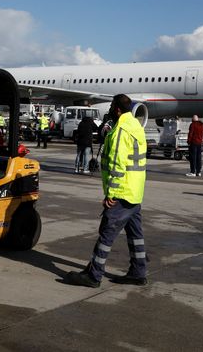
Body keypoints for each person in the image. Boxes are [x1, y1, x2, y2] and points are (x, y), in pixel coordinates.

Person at [65, 94, 147, 288]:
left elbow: (118, 164)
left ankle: (94, 275)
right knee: (136, 235)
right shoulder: (136, 126)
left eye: (112, 107)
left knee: (107, 233)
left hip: (122, 192)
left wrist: (111, 194)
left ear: (117, 109)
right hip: (135, 191)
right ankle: (138, 271)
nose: (110, 110)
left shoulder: (121, 130)